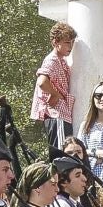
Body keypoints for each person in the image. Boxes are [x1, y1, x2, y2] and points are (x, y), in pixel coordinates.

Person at [31, 21, 78, 153]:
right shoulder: (52, 60)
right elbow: (42, 82)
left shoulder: (61, 60)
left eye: (72, 42)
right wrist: (55, 94)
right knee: (62, 153)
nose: (70, 46)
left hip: (61, 114)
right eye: (67, 42)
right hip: (57, 114)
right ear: (55, 42)